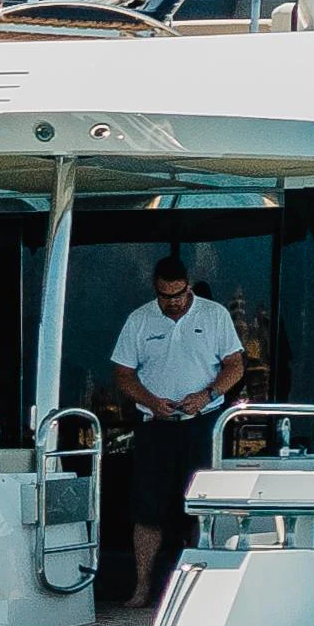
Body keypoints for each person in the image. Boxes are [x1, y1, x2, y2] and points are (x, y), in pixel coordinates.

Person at [98, 254, 245, 601]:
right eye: (166, 296)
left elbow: (236, 366)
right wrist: (150, 401)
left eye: (179, 294)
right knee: (147, 510)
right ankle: (142, 589)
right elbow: (122, 373)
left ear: (188, 286)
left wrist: (208, 394)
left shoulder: (214, 315)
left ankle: (198, 590)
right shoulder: (139, 320)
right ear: (156, 291)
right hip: (155, 425)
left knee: (199, 505)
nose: (174, 303)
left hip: (203, 422)